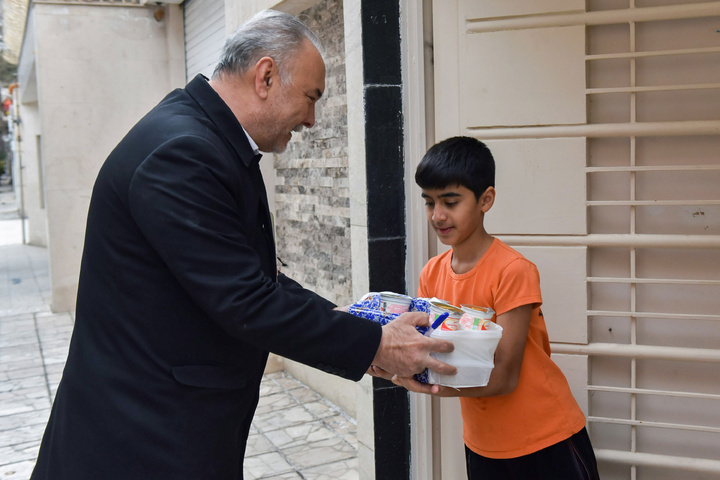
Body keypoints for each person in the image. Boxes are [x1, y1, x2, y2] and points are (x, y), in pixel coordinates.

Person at [30, 10, 455, 480]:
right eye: (311, 97)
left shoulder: (210, 140)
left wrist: (356, 325)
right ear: (266, 76)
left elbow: (255, 278)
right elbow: (245, 300)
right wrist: (375, 345)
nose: (313, 120)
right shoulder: (182, 153)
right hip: (138, 441)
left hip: (172, 431)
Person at [384, 136, 600, 479]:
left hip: (547, 439)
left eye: (450, 201)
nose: (437, 215)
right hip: (483, 445)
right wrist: (386, 361)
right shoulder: (431, 274)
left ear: (486, 199)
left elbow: (503, 377)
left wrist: (424, 384)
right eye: (429, 202)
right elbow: (431, 353)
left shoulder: (513, 271)